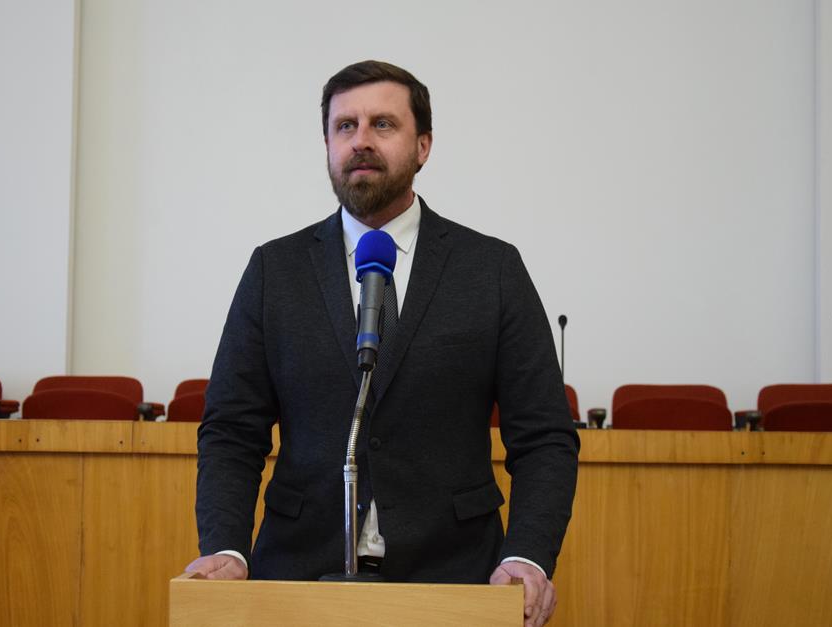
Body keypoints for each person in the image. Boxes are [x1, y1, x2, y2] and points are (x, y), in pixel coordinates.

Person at [186, 60, 579, 627]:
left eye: (383, 124)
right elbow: (231, 429)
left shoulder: (491, 270)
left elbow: (543, 436)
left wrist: (527, 555)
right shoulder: (276, 270)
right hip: (299, 572)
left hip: (455, 574)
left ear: (423, 146)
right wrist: (226, 546)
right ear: (327, 144)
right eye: (345, 126)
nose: (361, 141)